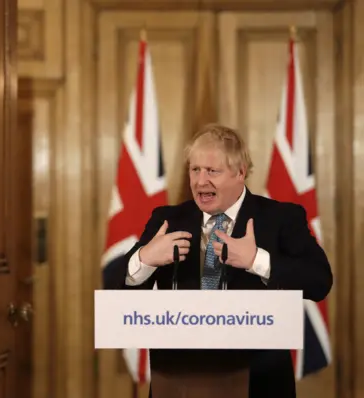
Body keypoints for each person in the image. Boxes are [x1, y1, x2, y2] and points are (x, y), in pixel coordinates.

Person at [107, 123, 332, 397]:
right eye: (195, 170)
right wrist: (146, 259)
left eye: (212, 171)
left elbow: (320, 281)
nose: (201, 181)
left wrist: (257, 261)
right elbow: (117, 291)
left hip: (258, 383)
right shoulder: (167, 219)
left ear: (240, 172)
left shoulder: (281, 218)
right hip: (179, 383)